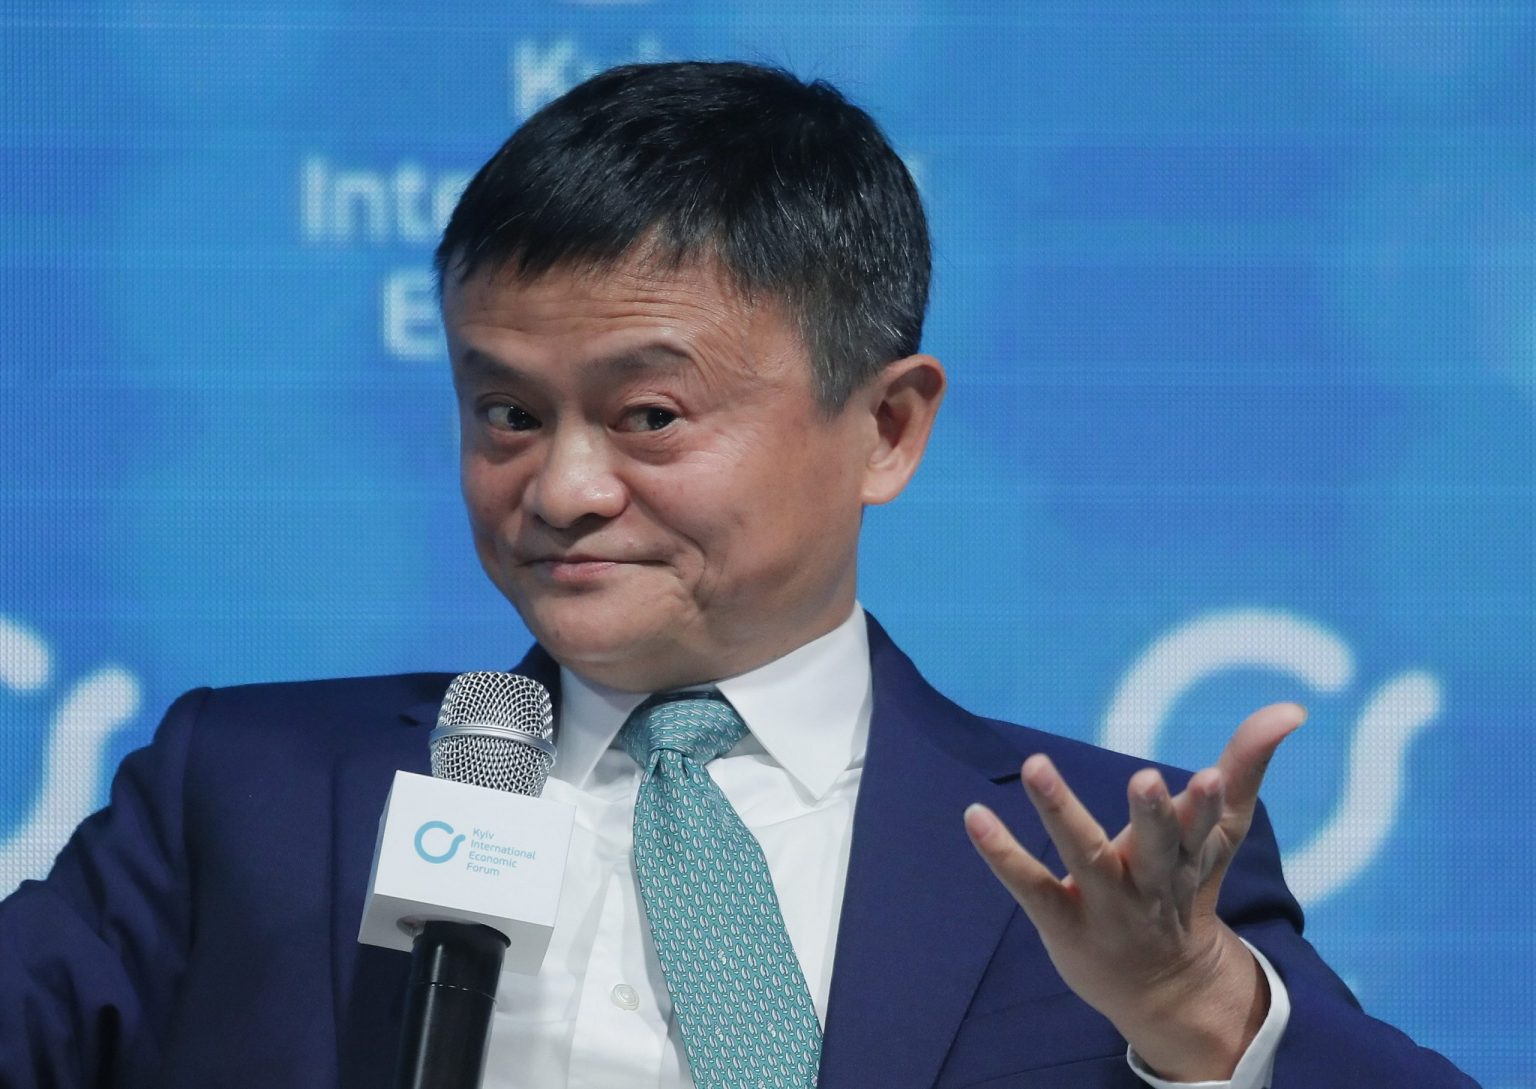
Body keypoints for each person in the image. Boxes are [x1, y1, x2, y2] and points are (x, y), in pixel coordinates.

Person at [0, 61, 1478, 1089]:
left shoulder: (1093, 865)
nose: (563, 489)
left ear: (887, 429)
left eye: (649, 416)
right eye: (506, 413)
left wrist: (1197, 1008)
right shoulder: (247, 789)